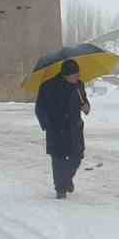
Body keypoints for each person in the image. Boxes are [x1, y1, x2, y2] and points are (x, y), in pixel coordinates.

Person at [34, 58, 87, 199]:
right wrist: (46, 124)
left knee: (77, 156)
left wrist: (86, 106)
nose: (78, 77)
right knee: (58, 159)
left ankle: (66, 179)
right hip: (56, 129)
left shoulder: (79, 86)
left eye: (78, 74)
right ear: (66, 75)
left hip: (74, 128)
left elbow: (85, 103)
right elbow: (40, 108)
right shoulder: (48, 86)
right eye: (75, 75)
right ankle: (60, 189)